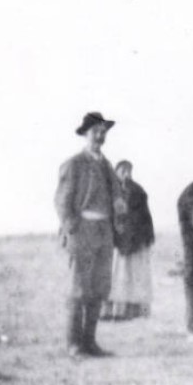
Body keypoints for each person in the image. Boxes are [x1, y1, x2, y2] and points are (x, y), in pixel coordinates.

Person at [55, 112, 122, 357]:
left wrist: (119, 204)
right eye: (95, 130)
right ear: (85, 134)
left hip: (104, 232)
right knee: (78, 288)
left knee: (99, 287)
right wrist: (72, 229)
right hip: (82, 231)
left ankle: (90, 343)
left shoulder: (106, 165)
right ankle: (74, 345)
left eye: (103, 130)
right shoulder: (74, 164)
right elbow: (62, 202)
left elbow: (116, 194)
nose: (100, 135)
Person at [104, 160, 155, 320]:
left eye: (128, 171)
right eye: (122, 171)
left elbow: (145, 217)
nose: (126, 174)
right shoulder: (109, 191)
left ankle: (132, 311)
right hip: (116, 242)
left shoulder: (138, 191)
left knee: (133, 276)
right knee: (115, 276)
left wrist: (145, 238)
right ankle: (111, 311)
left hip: (135, 240)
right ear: (116, 172)